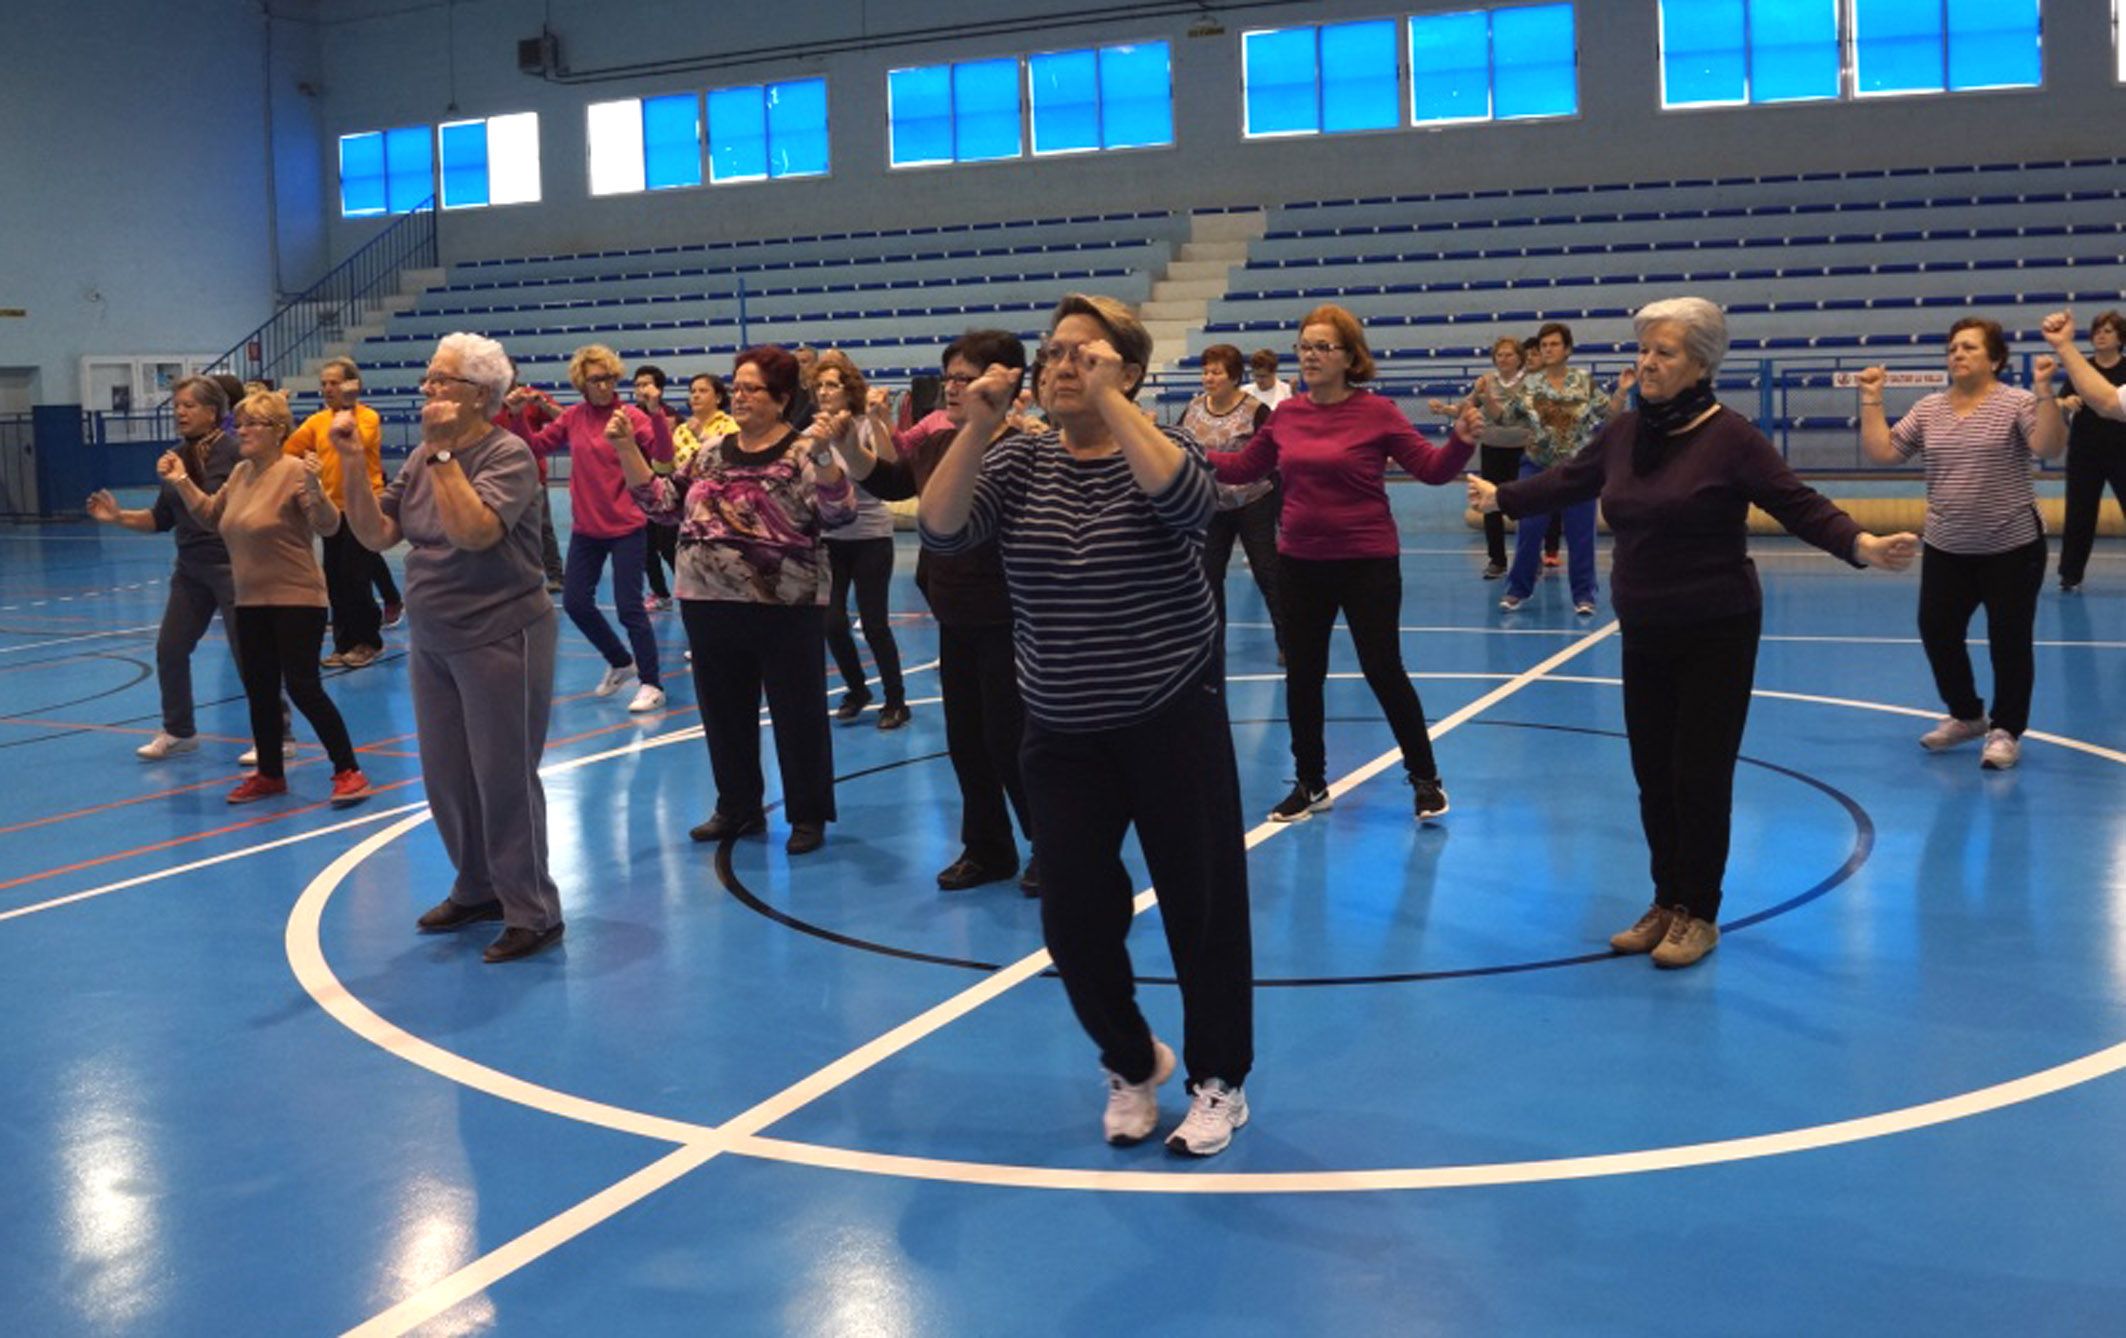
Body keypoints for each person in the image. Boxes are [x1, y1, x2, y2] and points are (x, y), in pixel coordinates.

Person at [1470, 297, 1919, 968]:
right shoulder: (1623, 432)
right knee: (1652, 773)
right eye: (1644, 349)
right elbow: (1570, 478)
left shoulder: (1730, 436)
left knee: (1699, 775)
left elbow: (1797, 503)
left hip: (1717, 626)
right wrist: (1503, 498)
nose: (1648, 362)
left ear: (1701, 363)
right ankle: (1666, 900)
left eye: (1665, 352)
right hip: (1645, 625)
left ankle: (1700, 913)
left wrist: (1860, 543)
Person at [921, 294, 1254, 1157]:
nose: (1061, 365)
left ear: (1129, 371)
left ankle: (1218, 1083)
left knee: (1202, 908)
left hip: (1171, 714)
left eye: (1086, 354)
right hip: (1062, 726)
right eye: (1054, 352)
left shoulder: (1165, 448)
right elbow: (943, 528)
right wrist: (976, 426)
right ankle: (1130, 1058)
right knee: (1071, 919)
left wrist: (1113, 405)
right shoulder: (1020, 464)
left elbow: (1190, 505)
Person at [334, 333, 565, 964]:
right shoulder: (418, 459)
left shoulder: (507, 455)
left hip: (501, 634)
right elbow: (376, 532)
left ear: (480, 395)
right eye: (429, 378)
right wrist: (353, 463)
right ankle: (477, 886)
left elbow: (473, 534)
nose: (429, 389)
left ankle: (532, 909)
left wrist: (440, 456)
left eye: (443, 380)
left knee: (504, 776)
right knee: (447, 777)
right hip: (433, 638)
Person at [1213, 304, 1484, 824]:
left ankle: (1425, 779)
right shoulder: (1287, 414)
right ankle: (1312, 784)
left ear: (1349, 356)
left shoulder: (1377, 412)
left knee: (1383, 669)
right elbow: (1244, 468)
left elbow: (1429, 470)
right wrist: (1177, 448)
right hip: (1299, 564)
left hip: (1367, 563)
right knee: (1303, 677)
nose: (1310, 356)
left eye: (1322, 347)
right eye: (1304, 346)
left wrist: (1462, 443)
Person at [616, 346, 856, 856]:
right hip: (708, 604)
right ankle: (737, 806)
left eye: (753, 388)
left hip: (786, 607)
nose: (740, 396)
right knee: (723, 712)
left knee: (799, 714)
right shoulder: (709, 449)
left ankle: (808, 814)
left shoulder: (803, 450)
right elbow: (662, 505)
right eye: (738, 386)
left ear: (782, 398)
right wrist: (624, 448)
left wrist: (822, 454)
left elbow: (839, 514)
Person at [841, 330, 1038, 894]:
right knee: (966, 740)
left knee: (1011, 740)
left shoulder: (1024, 447)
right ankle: (988, 848)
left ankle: (1050, 845)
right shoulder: (935, 445)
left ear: (1004, 381)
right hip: (956, 617)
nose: (951, 389)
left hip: (1012, 618)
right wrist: (847, 444)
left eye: (964, 378)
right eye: (947, 378)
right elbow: (888, 480)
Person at [1859, 318, 2065, 770]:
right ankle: (1968, 714)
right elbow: (1885, 452)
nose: (1958, 354)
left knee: (2008, 640)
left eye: (1969, 347)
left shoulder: (2017, 403)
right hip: (1947, 546)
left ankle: (2006, 729)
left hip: (2012, 546)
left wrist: (2047, 391)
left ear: (1994, 359)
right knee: (1937, 630)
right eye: (1953, 347)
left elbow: (2049, 444)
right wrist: (1872, 397)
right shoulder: (1930, 409)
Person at [158, 392, 373, 807]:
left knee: (303, 686)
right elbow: (210, 517)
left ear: (278, 431)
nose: (243, 432)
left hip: (298, 599)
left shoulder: (295, 471)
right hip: (251, 600)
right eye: (239, 425)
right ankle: (270, 774)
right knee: (258, 689)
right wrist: (182, 481)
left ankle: (348, 770)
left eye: (252, 424)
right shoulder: (240, 473)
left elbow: (328, 527)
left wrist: (316, 487)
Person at [86, 376, 249, 760]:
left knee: (250, 652)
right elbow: (161, 519)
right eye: (176, 406)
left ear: (212, 412)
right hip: (190, 569)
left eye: (188, 405)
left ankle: (278, 735)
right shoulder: (174, 456)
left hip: (233, 566)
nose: (179, 412)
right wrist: (118, 517)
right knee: (170, 648)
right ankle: (179, 730)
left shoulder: (237, 455)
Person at [523, 344, 669, 713]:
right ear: (581, 384)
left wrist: (656, 414)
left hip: (627, 526)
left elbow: (663, 458)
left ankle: (651, 683)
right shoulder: (573, 417)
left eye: (608, 378)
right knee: (574, 602)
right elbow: (534, 446)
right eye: (595, 380)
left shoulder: (630, 415)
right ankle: (620, 661)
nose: (603, 386)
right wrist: (516, 417)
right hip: (587, 528)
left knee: (629, 608)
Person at [1492, 322, 1631, 614]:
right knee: (1529, 531)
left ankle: (1584, 596)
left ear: (1567, 349)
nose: (1548, 349)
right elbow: (1505, 418)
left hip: (1579, 469)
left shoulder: (1583, 381)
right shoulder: (1529, 385)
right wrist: (1484, 401)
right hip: (1536, 466)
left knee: (1581, 534)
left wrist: (1621, 391)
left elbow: (1610, 414)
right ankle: (1518, 590)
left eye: (1554, 344)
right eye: (1543, 345)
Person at [810, 351, 911, 730]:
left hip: (870, 536)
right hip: (831, 540)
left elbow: (890, 468)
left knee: (874, 624)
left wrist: (877, 420)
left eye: (831, 385)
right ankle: (857, 688)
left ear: (848, 390)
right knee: (831, 623)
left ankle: (896, 699)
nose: (823, 391)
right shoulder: (810, 434)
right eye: (818, 385)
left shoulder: (864, 426)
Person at [1180, 343, 1285, 662]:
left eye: (1216, 372)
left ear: (1234, 376)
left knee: (1267, 570)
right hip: (1211, 504)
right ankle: (1213, 644)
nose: (1208, 377)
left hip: (1254, 500)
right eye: (1205, 371)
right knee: (1209, 574)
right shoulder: (1194, 408)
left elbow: (1274, 457)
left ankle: (1288, 641)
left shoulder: (1255, 411)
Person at [283, 358, 388, 669]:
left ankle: (368, 641)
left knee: (357, 577)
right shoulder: (316, 422)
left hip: (365, 507)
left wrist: (346, 410)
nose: (327, 388)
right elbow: (289, 447)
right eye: (324, 383)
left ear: (351, 386)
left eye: (334, 383)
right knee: (336, 578)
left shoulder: (367, 417)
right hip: (332, 510)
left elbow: (360, 440)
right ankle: (344, 644)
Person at [1430, 336, 1536, 580]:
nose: (1504, 359)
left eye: (1509, 354)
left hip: (1524, 451)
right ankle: (1496, 560)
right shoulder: (1485, 381)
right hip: (1492, 450)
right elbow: (1466, 406)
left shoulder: (1531, 383)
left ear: (1520, 357)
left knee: (1527, 506)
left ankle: (1530, 559)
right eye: (1499, 355)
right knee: (1490, 505)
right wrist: (1444, 409)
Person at [2044, 310, 2126, 593]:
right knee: (2079, 515)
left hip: (2122, 451)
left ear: (2120, 338)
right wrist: (2065, 402)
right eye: (2097, 330)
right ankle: (2070, 574)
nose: (2100, 335)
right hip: (2085, 452)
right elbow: (2056, 402)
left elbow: (2109, 403)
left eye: (2107, 330)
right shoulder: (2081, 368)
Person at [495, 361, 564, 591]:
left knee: (543, 526)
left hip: (532, 471)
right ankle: (512, 573)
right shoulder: (487, 399)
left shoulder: (531, 396)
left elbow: (564, 420)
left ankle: (555, 575)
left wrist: (542, 404)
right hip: (498, 473)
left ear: (516, 373)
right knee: (501, 526)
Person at [632, 364, 680, 611]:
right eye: (637, 385)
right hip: (640, 491)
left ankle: (688, 591)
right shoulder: (627, 416)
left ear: (659, 389)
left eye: (646, 384)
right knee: (646, 548)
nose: (640, 389)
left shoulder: (670, 416)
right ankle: (660, 593)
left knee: (669, 548)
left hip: (667, 491)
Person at [1243, 347, 1292, 411]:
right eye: (1256, 376)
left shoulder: (1287, 392)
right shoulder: (1244, 393)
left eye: (1263, 376)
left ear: (1273, 372)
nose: (1259, 380)